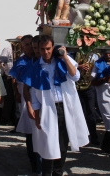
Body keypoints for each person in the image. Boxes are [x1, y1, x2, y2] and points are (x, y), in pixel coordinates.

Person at [28, 35, 88, 176]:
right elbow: (35, 95)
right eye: (42, 49)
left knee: (62, 143)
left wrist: (65, 58)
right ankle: (46, 173)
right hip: (47, 109)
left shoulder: (61, 59)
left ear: (53, 46)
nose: (46, 52)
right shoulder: (37, 67)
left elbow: (75, 76)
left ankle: (58, 172)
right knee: (48, 143)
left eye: (48, 49)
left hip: (64, 106)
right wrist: (37, 116)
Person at [8, 35, 41, 174]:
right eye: (26, 45)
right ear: (22, 47)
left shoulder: (41, 59)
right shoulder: (21, 62)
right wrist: (16, 92)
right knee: (30, 131)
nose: (29, 48)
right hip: (26, 95)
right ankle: (34, 161)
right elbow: (16, 78)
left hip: (39, 95)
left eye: (31, 45)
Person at [91, 50, 110, 157]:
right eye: (106, 53)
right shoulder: (98, 64)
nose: (108, 55)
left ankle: (105, 145)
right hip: (104, 95)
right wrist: (103, 79)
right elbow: (92, 81)